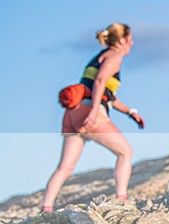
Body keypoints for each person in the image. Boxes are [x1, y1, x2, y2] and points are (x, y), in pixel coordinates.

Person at [42, 23, 145, 212]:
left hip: (72, 113)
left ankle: (46, 207)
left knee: (64, 167)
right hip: (90, 112)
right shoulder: (115, 56)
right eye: (130, 38)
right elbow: (99, 82)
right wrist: (94, 111)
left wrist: (130, 112)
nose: (132, 42)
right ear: (122, 40)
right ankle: (121, 200)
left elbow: (108, 94)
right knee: (125, 153)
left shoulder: (99, 57)